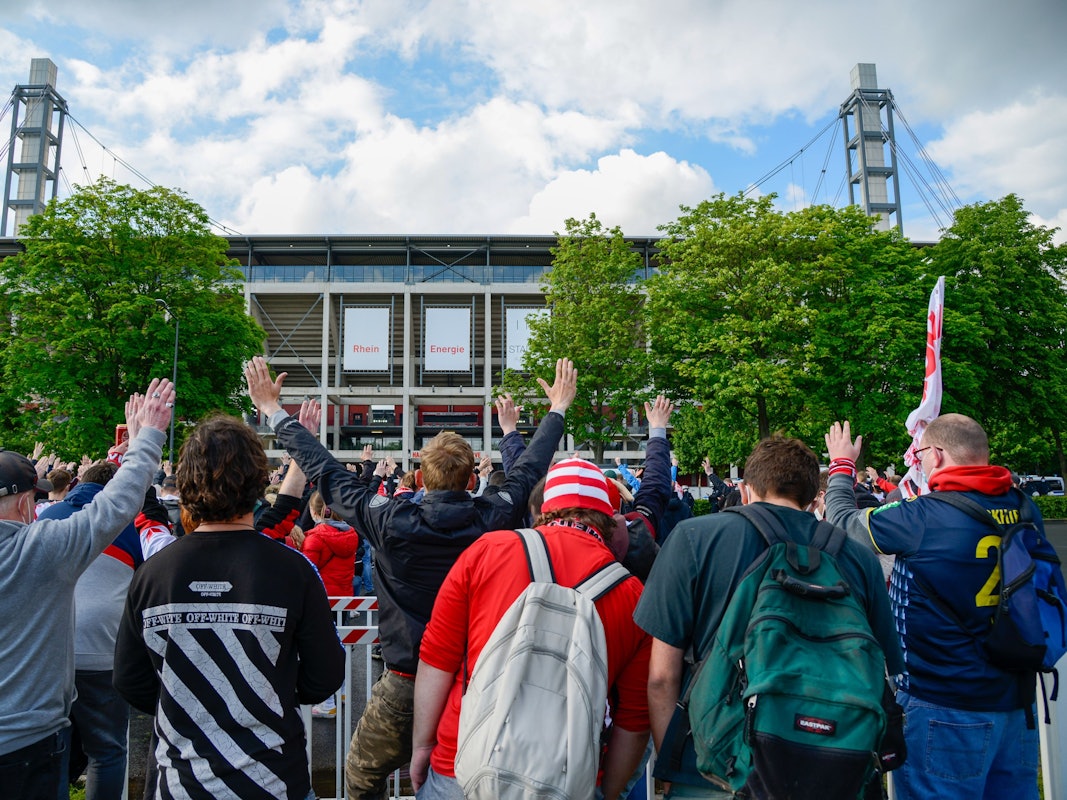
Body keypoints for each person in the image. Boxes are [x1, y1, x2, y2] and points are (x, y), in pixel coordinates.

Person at [244, 355, 577, 800]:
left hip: (406, 680)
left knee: (361, 775)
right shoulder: (493, 515)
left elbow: (324, 469)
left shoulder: (391, 520)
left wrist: (273, 412)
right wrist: (555, 411)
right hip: (477, 679)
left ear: (420, 474)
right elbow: (529, 469)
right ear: (468, 478)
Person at [635, 433, 903, 799]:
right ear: (813, 500)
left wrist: (671, 760)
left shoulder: (694, 538)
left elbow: (662, 678)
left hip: (713, 766)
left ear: (745, 490)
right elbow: (881, 668)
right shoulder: (857, 558)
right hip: (830, 765)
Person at [114, 406, 344, 800]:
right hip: (274, 780)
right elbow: (325, 675)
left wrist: (186, 700)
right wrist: (272, 692)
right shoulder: (293, 570)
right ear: (257, 484)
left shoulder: (153, 573)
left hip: (180, 782)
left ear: (185, 484)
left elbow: (129, 679)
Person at [824, 414, 1043, 799]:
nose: (919, 462)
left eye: (920, 453)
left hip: (943, 706)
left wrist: (842, 465)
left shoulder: (923, 515)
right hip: (1016, 702)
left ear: (938, 454)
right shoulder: (1026, 508)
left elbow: (842, 523)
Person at [411, 457, 651, 800]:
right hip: (566, 781)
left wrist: (423, 747)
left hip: (463, 764)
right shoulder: (632, 596)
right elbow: (634, 720)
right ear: (609, 519)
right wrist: (607, 791)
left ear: (544, 508)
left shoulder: (488, 552)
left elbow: (437, 660)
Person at [0, 379, 173, 800]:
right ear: (26, 503)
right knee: (106, 752)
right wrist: (147, 438)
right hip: (29, 738)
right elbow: (114, 507)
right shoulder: (40, 548)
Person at [36, 460, 147, 800]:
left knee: (54, 748)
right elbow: (140, 588)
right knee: (108, 750)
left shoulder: (47, 517)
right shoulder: (126, 526)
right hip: (103, 650)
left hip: (51, 650)